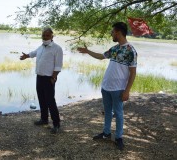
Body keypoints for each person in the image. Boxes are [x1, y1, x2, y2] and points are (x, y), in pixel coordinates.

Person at [77, 22, 137, 150]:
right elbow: (101, 57)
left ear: (118, 32)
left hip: (118, 88)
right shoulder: (114, 49)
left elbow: (133, 72)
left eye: (112, 32)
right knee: (107, 112)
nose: (111, 34)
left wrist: (127, 91)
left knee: (119, 113)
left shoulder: (130, 50)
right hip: (106, 87)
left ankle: (119, 137)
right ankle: (106, 133)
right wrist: (87, 51)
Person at [20, 27, 63, 134]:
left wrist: (54, 77)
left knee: (50, 101)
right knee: (41, 99)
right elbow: (34, 53)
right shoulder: (41, 47)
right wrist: (27, 56)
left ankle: (56, 124)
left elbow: (58, 65)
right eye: (43, 35)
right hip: (39, 77)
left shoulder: (57, 48)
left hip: (49, 78)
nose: (45, 37)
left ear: (52, 36)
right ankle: (44, 119)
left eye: (47, 35)